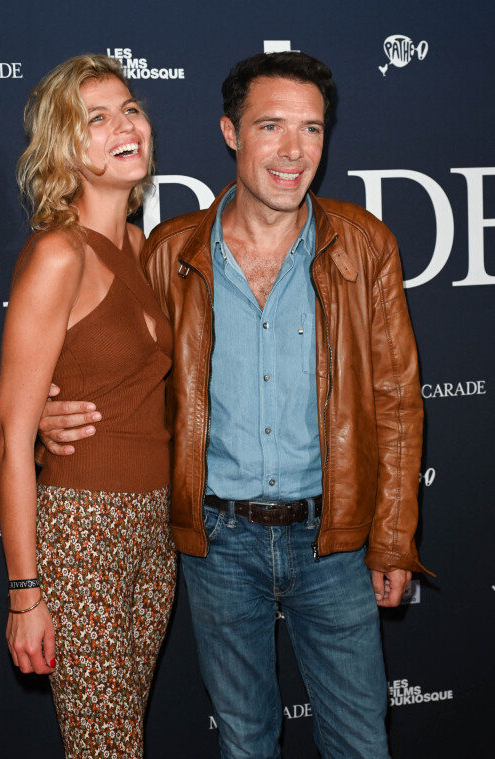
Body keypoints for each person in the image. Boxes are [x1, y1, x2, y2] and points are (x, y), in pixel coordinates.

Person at [39, 51, 428, 758]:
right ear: (230, 132)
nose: (293, 151)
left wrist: (394, 535)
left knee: (360, 742)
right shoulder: (170, 250)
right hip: (218, 544)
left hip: (334, 540)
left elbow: (397, 401)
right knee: (245, 742)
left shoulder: (364, 245)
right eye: (271, 126)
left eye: (311, 130)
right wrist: (43, 415)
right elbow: (122, 372)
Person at [0, 54, 176, 759]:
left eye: (129, 109)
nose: (123, 125)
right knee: (105, 747)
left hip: (154, 532)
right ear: (65, 150)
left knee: (119, 738)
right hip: (83, 533)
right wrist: (24, 593)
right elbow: (13, 436)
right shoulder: (57, 254)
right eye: (95, 119)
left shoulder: (138, 244)